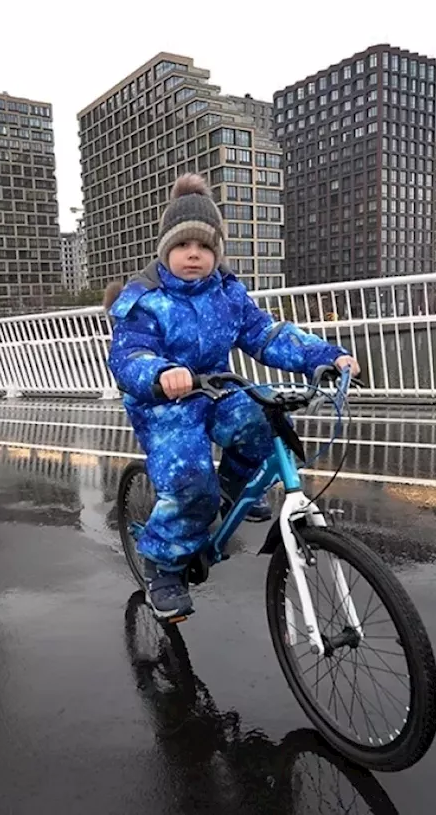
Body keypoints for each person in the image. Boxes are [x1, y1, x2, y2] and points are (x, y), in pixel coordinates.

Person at [105, 173, 360, 619]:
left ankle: (230, 485)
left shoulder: (228, 293)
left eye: (204, 247)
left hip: (218, 388)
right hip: (165, 402)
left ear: (216, 254)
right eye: (184, 246)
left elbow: (265, 334)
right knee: (189, 484)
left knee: (266, 424)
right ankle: (163, 564)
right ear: (166, 249)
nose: (194, 255)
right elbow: (129, 356)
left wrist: (327, 356)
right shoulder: (144, 300)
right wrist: (162, 372)